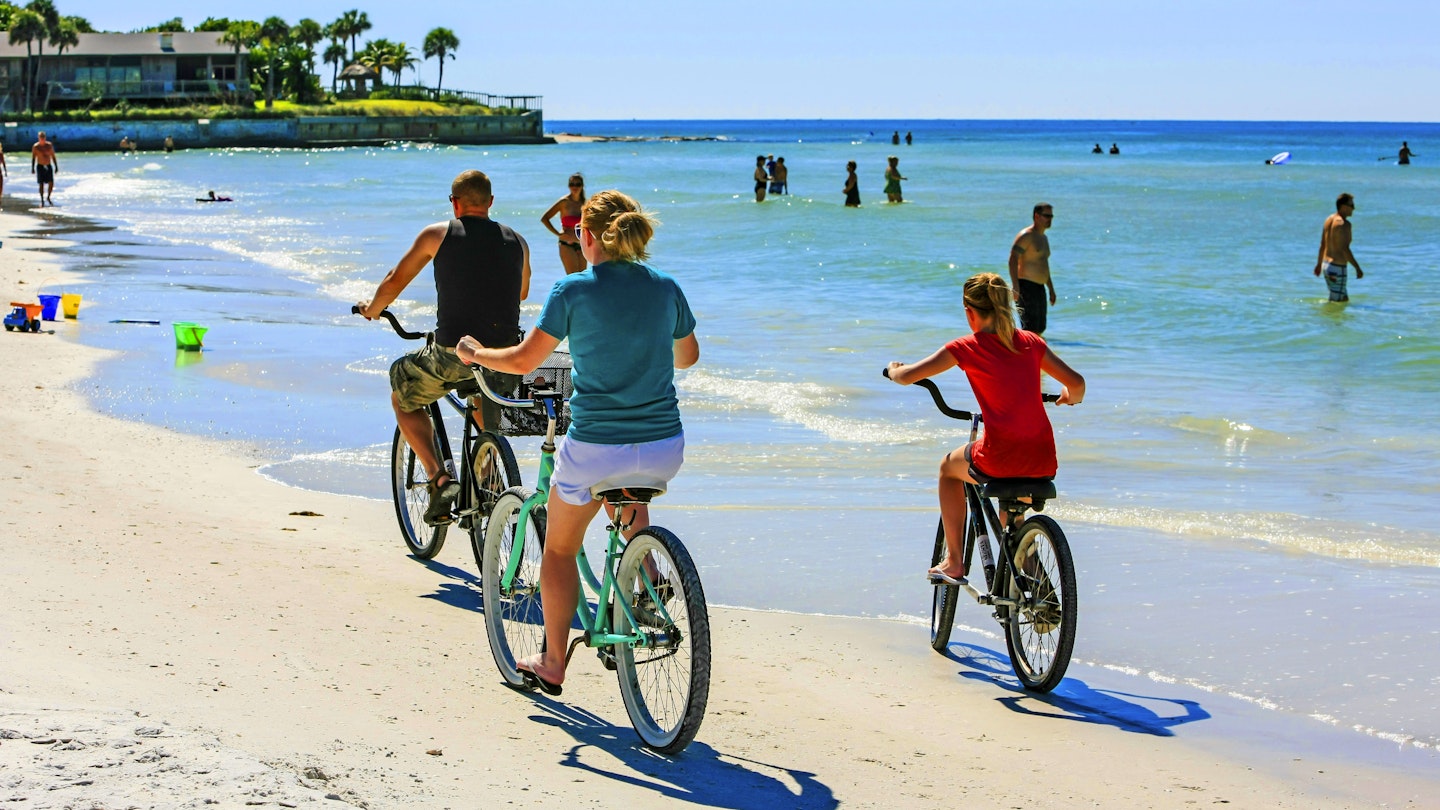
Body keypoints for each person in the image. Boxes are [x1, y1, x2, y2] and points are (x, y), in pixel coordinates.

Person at [456, 189, 699, 694]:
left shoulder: (573, 290)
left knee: (560, 550)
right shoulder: (666, 287)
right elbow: (687, 358)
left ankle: (552, 660)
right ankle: (646, 571)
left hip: (594, 448)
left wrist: (478, 354)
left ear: (585, 236)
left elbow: (524, 361)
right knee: (626, 494)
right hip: (663, 447)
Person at [356, 170, 531, 525]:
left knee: (401, 389)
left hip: (453, 354)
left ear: (455, 203)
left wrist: (372, 309)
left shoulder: (438, 234)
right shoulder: (518, 241)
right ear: (491, 203)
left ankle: (440, 479)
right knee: (483, 396)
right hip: (506, 357)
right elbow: (523, 292)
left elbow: (395, 280)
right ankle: (488, 466)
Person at [887, 273, 1084, 584]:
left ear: (970, 313)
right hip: (1042, 457)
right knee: (1013, 519)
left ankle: (953, 562)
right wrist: (1067, 398)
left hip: (1000, 455)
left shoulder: (964, 347)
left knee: (947, 468)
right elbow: (1077, 385)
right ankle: (1040, 593)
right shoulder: (1032, 342)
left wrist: (894, 369)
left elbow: (909, 376)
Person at [1009, 203, 1057, 334]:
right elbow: (1013, 259)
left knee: (1040, 328)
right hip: (1026, 286)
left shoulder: (1043, 238)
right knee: (1030, 329)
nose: (1050, 219)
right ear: (1037, 216)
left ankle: (1034, 354)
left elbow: (1044, 265)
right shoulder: (1026, 235)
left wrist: (1051, 289)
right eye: (1047, 216)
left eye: (1051, 216)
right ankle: (1024, 353)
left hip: (1040, 288)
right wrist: (1015, 286)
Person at [1314, 193, 1364, 303]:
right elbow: (1344, 249)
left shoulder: (1329, 219)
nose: (1354, 208)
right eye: (1351, 205)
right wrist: (1357, 268)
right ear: (1343, 206)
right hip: (1337, 268)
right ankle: (1326, 319)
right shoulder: (1343, 224)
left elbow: (1323, 244)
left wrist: (1318, 264)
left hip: (1326, 265)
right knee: (1336, 302)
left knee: (1344, 299)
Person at [540, 173, 588, 275]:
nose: (574, 187)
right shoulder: (564, 202)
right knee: (573, 279)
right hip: (567, 244)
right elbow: (545, 218)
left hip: (581, 244)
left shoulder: (584, 203)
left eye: (577, 184)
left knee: (583, 279)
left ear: (582, 186)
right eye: (572, 184)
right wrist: (558, 234)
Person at [31, 131, 57, 206]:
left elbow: (53, 156)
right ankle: (42, 200)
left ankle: (48, 197)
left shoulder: (49, 145)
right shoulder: (36, 147)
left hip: (48, 165)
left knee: (51, 183)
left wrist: (56, 166)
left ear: (45, 137)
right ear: (38, 138)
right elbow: (33, 158)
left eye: (43, 137)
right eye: (40, 137)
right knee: (41, 184)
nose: (42, 138)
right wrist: (32, 168)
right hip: (40, 166)